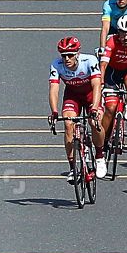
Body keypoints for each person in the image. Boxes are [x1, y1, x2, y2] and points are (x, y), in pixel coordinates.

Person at [48, 36, 107, 180]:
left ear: (77, 54)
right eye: (63, 55)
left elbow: (96, 85)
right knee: (68, 124)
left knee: (95, 122)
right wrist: (54, 111)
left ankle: (99, 156)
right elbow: (54, 89)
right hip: (72, 96)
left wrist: (94, 108)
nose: (66, 59)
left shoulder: (90, 61)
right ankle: (73, 168)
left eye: (70, 55)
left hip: (90, 95)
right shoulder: (56, 64)